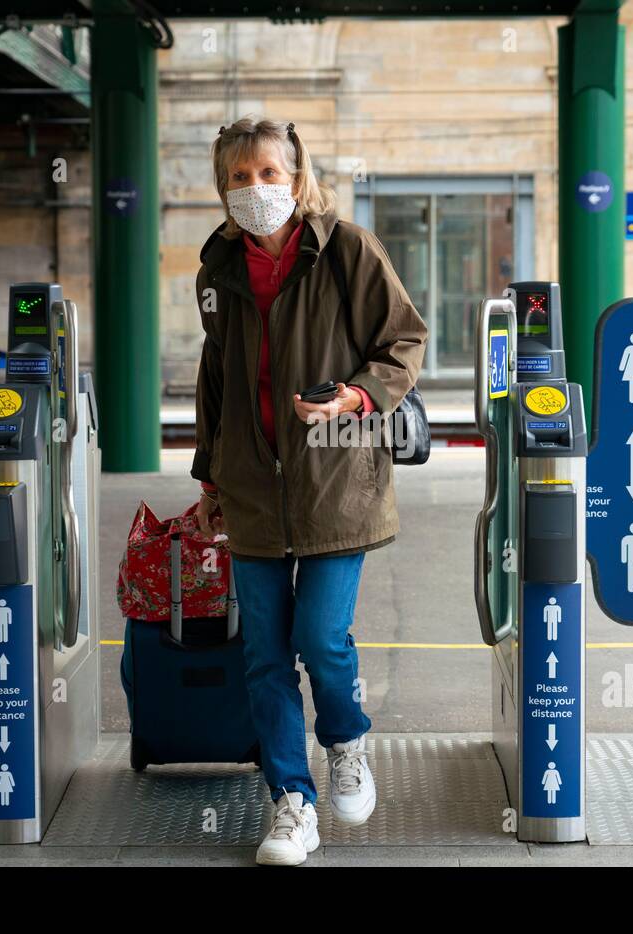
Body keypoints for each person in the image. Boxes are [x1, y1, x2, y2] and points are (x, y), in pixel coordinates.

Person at [191, 117, 427, 866]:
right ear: (222, 187)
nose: (254, 189)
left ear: (296, 177)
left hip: (335, 479)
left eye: (267, 173)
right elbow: (216, 378)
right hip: (254, 486)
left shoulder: (346, 250)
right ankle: (292, 801)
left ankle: (347, 741)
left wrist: (354, 399)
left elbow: (404, 343)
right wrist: (208, 473)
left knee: (320, 638)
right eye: (238, 177)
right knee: (263, 654)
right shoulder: (219, 270)